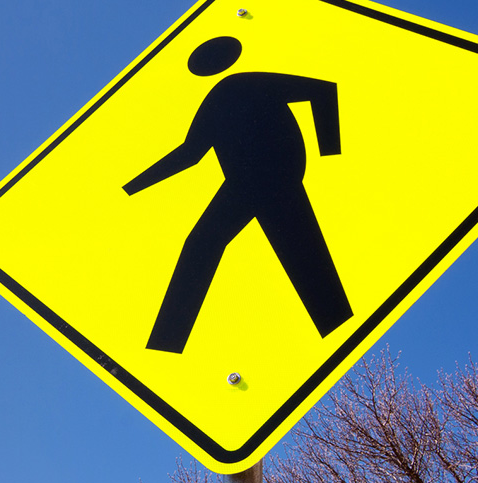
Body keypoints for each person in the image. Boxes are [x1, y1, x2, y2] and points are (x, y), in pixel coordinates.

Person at [125, 36, 352, 354]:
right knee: (293, 249)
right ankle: (165, 345)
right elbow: (190, 153)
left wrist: (331, 154)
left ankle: (166, 343)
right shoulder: (218, 97)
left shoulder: (245, 83)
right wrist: (132, 187)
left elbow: (322, 90)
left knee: (213, 244)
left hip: (270, 174)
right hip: (248, 181)